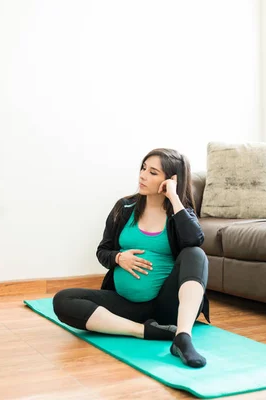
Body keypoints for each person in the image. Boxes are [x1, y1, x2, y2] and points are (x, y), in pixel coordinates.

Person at [53, 148, 210, 368]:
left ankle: (182, 337)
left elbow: (195, 240)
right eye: (143, 168)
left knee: (196, 254)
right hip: (127, 306)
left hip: (168, 307)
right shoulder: (124, 207)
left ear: (171, 179)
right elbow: (103, 251)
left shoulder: (180, 212)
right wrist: (119, 258)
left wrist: (174, 198)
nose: (143, 175)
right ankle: (143, 331)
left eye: (153, 172)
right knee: (63, 300)